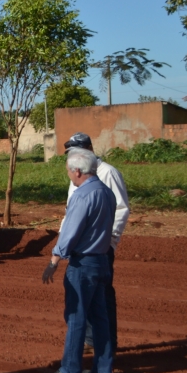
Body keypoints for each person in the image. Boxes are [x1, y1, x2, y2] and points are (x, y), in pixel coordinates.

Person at [41, 148, 115, 373]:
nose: (69, 176)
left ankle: (70, 370)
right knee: (100, 318)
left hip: (82, 264)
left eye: (69, 172)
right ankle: (104, 369)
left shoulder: (82, 196)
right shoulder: (106, 193)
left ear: (78, 171)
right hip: (102, 261)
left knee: (77, 317)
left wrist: (54, 260)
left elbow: (70, 231)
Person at [62, 132, 129, 354]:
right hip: (79, 248)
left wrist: (110, 242)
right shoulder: (77, 171)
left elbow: (120, 209)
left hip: (99, 247)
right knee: (82, 295)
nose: (74, 155)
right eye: (71, 151)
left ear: (90, 148)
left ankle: (107, 342)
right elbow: (72, 210)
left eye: (78, 150)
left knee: (102, 297)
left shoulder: (107, 173)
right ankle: (91, 340)